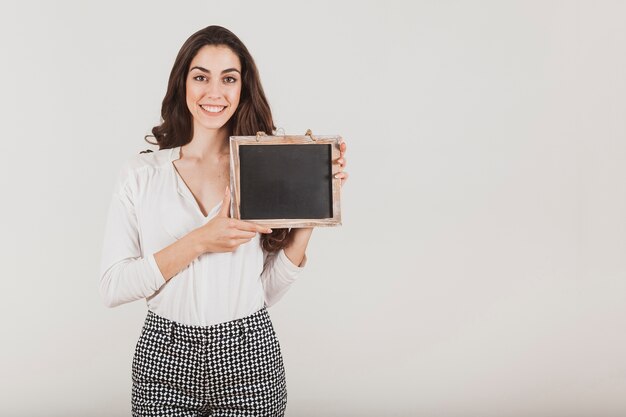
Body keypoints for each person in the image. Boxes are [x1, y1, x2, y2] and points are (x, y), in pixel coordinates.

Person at [99, 25, 348, 417]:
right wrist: (200, 240)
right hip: (165, 356)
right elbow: (113, 287)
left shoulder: (263, 169)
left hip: (249, 353)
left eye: (228, 79)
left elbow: (264, 292)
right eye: (201, 77)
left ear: (242, 89)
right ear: (182, 83)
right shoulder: (142, 174)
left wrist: (311, 207)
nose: (214, 92)